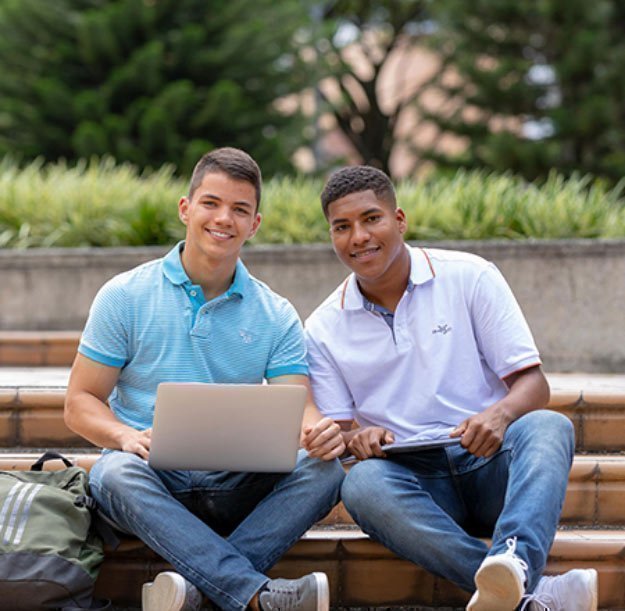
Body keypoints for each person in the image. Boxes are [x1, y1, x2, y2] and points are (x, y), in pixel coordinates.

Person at [304, 165, 598, 611]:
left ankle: (515, 565)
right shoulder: (324, 327)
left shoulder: (469, 276)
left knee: (548, 427)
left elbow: (532, 384)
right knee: (361, 484)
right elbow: (339, 437)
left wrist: (498, 415)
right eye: (341, 227)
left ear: (399, 220)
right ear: (331, 237)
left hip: (488, 460)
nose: (359, 236)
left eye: (371, 219)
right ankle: (528, 596)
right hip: (415, 482)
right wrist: (356, 439)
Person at [64, 147, 346, 611]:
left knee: (325, 469)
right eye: (211, 203)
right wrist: (124, 435)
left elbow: (300, 407)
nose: (224, 219)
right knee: (112, 472)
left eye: (240, 209)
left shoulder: (275, 313)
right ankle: (252, 594)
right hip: (150, 479)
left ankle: (195, 592)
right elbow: (79, 403)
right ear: (185, 209)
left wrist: (317, 433)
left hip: (235, 485)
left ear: (254, 224)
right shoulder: (124, 295)